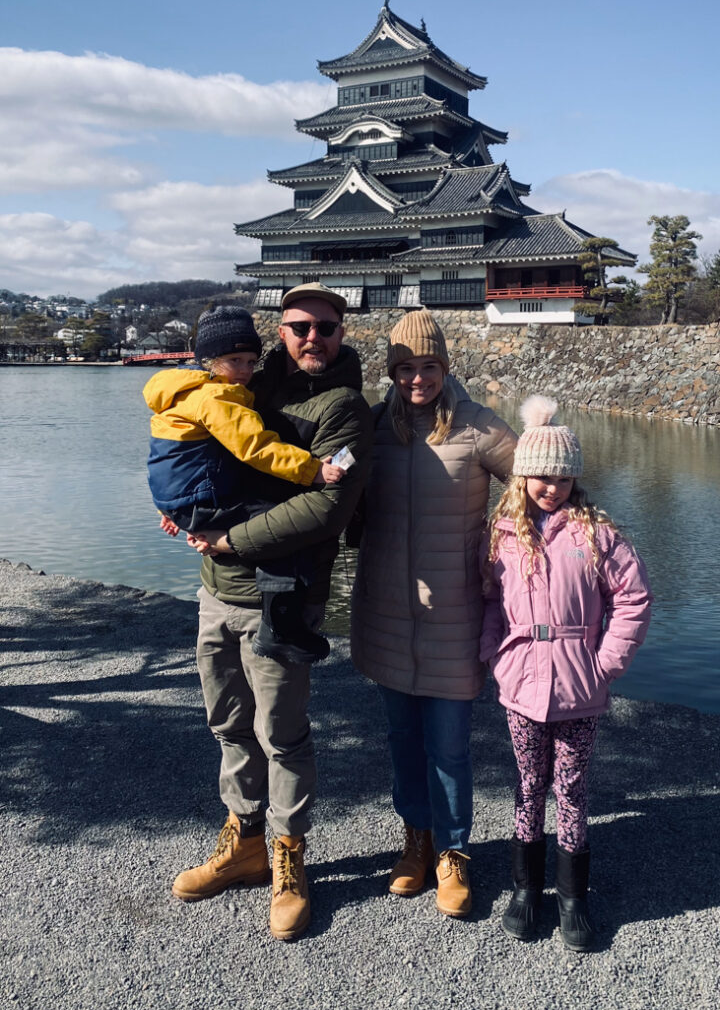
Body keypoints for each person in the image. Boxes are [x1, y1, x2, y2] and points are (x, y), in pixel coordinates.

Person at [171, 283, 373, 942]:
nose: (312, 337)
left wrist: (231, 539)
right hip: (215, 591)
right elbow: (201, 449)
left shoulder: (347, 412)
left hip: (283, 598)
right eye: (298, 327)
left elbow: (327, 508)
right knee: (228, 724)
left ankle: (290, 854)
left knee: (282, 735)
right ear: (278, 333)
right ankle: (245, 841)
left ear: (343, 333)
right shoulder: (245, 386)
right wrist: (178, 502)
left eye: (325, 327)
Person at [350, 309, 517, 919]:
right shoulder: (370, 429)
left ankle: (453, 851)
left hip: (453, 610)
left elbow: (534, 481)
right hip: (387, 609)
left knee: (449, 746)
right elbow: (325, 489)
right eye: (404, 368)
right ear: (391, 373)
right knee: (401, 739)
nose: (417, 379)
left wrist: (507, 542)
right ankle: (414, 841)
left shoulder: (478, 426)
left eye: (428, 366)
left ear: (446, 368)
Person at [480, 395, 652, 952]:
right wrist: (494, 653)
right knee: (529, 786)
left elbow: (634, 599)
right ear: (523, 475)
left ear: (575, 478)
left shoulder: (598, 535)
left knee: (572, 788)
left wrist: (607, 662)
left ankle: (574, 895)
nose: (550, 487)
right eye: (539, 476)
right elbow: (488, 600)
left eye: (561, 477)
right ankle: (526, 890)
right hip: (521, 685)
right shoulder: (504, 533)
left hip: (582, 684)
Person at [143, 303, 346, 664]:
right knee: (280, 525)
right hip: (199, 496)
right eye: (235, 361)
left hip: (181, 495)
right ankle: (280, 628)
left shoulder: (182, 393)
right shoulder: (216, 398)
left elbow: (167, 459)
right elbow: (255, 446)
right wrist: (311, 469)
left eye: (251, 362)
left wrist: (171, 508)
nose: (245, 371)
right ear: (209, 361)